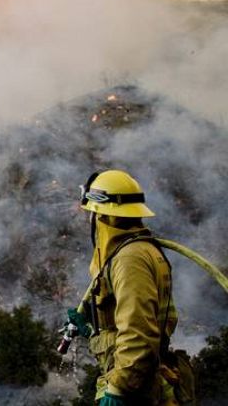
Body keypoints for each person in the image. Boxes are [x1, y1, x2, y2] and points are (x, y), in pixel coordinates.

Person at [71, 170, 179, 406]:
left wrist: (119, 388)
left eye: (94, 214)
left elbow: (138, 330)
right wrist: (91, 328)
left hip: (135, 390)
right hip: (137, 379)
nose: (92, 220)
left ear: (104, 216)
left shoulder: (130, 259)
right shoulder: (133, 252)